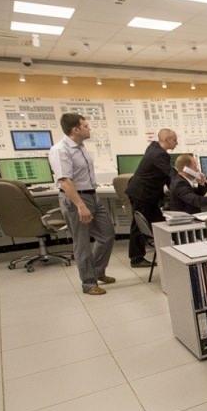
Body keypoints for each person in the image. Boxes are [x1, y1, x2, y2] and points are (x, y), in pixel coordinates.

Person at [48, 113, 115, 295]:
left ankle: (97, 271)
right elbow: (65, 181)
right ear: (75, 129)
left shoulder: (81, 147)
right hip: (76, 199)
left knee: (107, 235)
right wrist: (80, 205)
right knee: (82, 242)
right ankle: (88, 283)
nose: (89, 128)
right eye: (85, 126)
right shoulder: (60, 150)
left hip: (92, 195)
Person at [125, 129, 177, 267]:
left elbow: (166, 175)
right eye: (174, 140)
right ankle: (136, 259)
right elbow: (170, 173)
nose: (177, 143)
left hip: (144, 194)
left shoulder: (153, 147)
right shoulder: (159, 154)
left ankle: (168, 253)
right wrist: (184, 184)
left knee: (160, 223)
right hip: (143, 194)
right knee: (139, 226)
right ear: (167, 140)